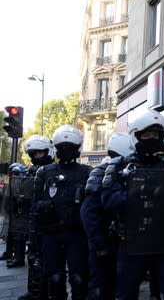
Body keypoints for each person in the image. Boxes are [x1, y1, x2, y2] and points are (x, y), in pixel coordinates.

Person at [101, 109, 164, 300]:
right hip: (132, 243)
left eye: (156, 135)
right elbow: (108, 201)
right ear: (136, 136)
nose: (152, 138)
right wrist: (135, 194)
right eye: (147, 134)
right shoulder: (119, 167)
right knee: (125, 294)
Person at [30, 125, 92, 300]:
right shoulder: (45, 172)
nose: (65, 150)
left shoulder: (87, 172)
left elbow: (94, 210)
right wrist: (33, 240)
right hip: (51, 234)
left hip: (77, 235)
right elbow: (34, 208)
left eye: (70, 147)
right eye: (62, 147)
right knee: (55, 278)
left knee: (79, 279)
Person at [81, 132, 135, 300]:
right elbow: (89, 212)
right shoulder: (102, 172)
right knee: (100, 287)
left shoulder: (127, 171)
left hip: (120, 241)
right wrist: (99, 243)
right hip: (104, 240)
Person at [18, 135, 55, 300]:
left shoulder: (53, 171)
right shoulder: (30, 172)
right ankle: (34, 291)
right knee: (33, 257)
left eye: (39, 153)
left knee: (48, 261)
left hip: (49, 223)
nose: (35, 157)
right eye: (33, 154)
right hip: (32, 221)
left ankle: (45, 292)